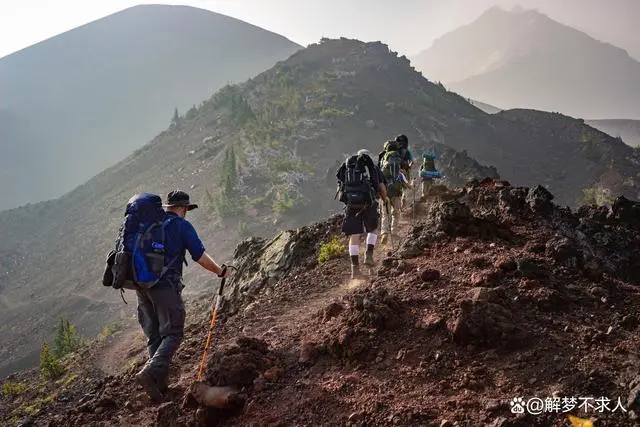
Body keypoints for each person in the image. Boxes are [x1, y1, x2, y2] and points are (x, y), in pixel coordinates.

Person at [134, 190, 232, 402]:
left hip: (141, 285)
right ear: (183, 208)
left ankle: (159, 388)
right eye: (186, 209)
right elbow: (199, 255)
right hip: (165, 285)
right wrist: (219, 271)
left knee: (156, 335)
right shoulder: (181, 226)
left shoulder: (149, 224)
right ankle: (150, 373)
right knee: (174, 333)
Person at [336, 149, 388, 279]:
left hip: (351, 205)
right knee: (373, 229)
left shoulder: (347, 167)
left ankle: (355, 270)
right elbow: (380, 186)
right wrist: (385, 200)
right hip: (368, 203)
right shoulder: (372, 168)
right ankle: (368, 254)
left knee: (354, 235)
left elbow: (340, 184)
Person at [379, 141, 416, 243]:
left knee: (385, 214)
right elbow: (408, 186)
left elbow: (379, 180)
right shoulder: (400, 172)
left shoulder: (383, 163)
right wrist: (412, 184)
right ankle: (393, 232)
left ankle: (384, 233)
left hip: (385, 192)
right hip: (397, 192)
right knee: (396, 213)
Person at [394, 134, 414, 210]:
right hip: (405, 171)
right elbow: (411, 161)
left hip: (395, 171)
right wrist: (409, 167)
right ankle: (403, 200)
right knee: (405, 187)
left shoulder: (393, 152)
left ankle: (398, 203)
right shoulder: (407, 151)